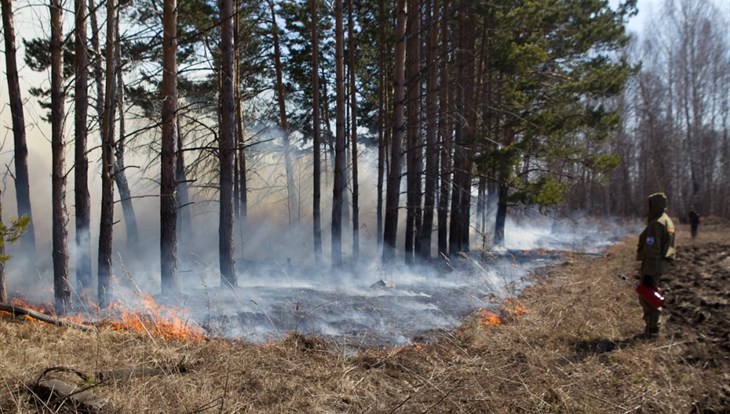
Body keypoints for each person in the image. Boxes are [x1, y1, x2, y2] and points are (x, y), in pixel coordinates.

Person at [636, 193, 676, 338]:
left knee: (648, 297)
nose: (648, 208)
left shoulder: (656, 223)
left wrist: (647, 274)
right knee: (651, 295)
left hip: (653, 264)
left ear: (655, 205)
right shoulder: (667, 221)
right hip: (661, 263)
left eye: (650, 204)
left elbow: (652, 249)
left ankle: (652, 329)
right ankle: (653, 327)